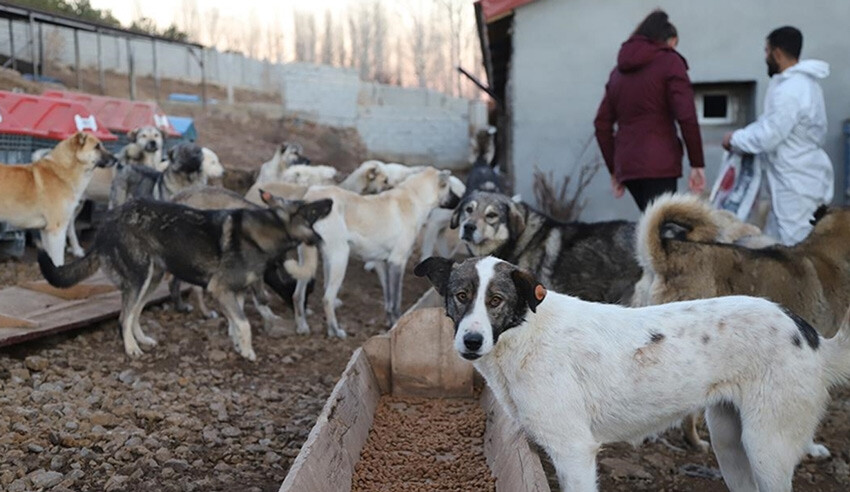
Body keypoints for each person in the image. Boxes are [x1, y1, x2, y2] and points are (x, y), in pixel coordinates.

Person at [722, 26, 833, 245]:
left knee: (794, 247)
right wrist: (740, 135)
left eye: (767, 51)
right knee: (782, 243)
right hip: (799, 177)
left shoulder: (790, 91)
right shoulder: (804, 85)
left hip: (795, 183)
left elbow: (768, 136)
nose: (765, 57)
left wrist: (734, 140)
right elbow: (768, 123)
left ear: (778, 53)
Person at [594, 9, 705, 212]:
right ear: (669, 40)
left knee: (653, 228)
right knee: (663, 234)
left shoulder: (618, 72)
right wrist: (697, 163)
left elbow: (601, 124)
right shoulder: (670, 62)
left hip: (628, 167)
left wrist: (614, 169)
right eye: (674, 45)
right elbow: (686, 115)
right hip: (660, 163)